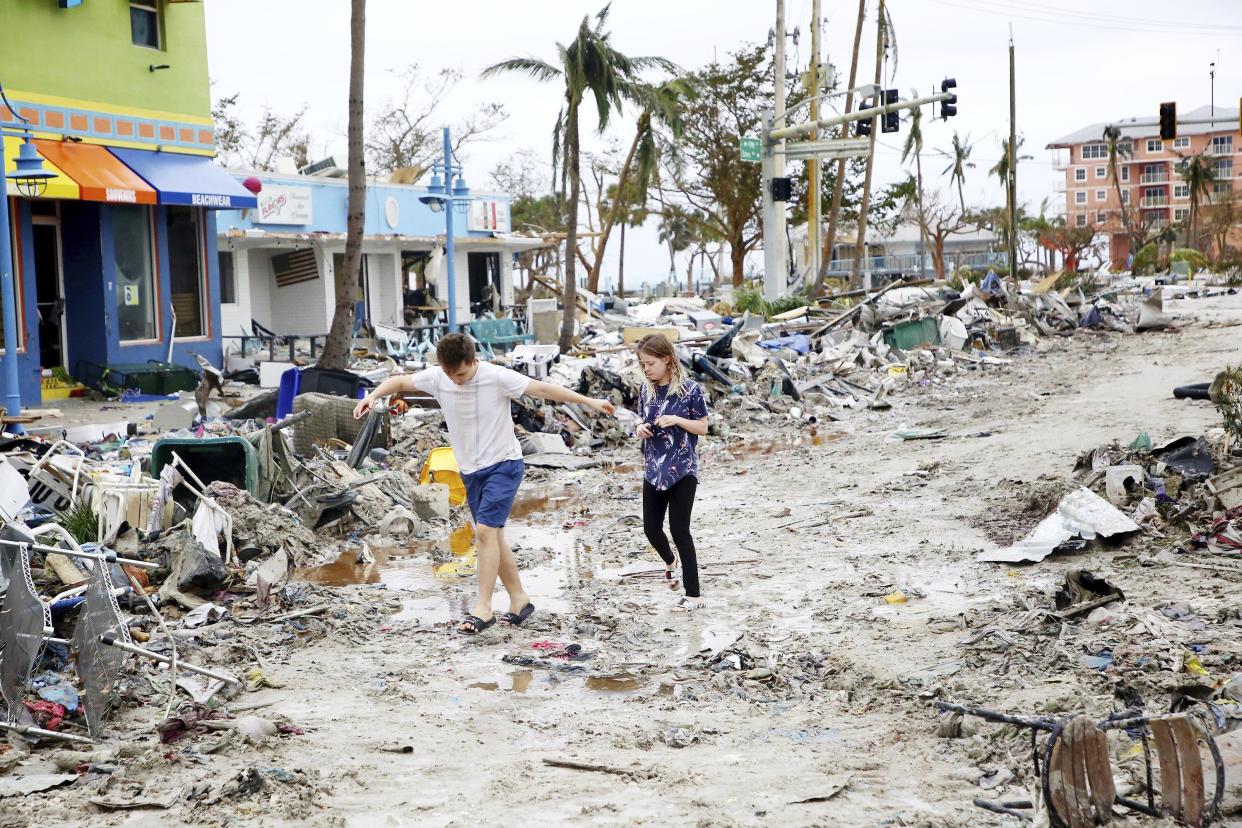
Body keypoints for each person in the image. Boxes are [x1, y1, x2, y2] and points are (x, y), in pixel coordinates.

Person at [355, 333, 615, 633]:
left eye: (462, 374)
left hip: (504, 465)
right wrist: (372, 396)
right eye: (450, 374)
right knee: (493, 537)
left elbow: (543, 388)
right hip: (470, 470)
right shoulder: (440, 377)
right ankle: (519, 600)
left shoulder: (496, 376)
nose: (456, 380)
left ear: (474, 361)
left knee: (485, 532)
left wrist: (590, 401)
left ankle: (483, 607)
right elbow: (399, 382)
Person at [634, 334, 709, 612]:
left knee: (680, 530)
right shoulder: (646, 391)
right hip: (654, 469)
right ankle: (669, 562)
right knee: (651, 528)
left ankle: (694, 595)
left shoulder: (690, 390)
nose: (647, 369)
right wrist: (640, 427)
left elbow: (702, 428)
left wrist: (677, 419)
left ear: (667, 359)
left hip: (683, 468)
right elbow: (641, 419)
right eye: (643, 364)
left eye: (651, 363)